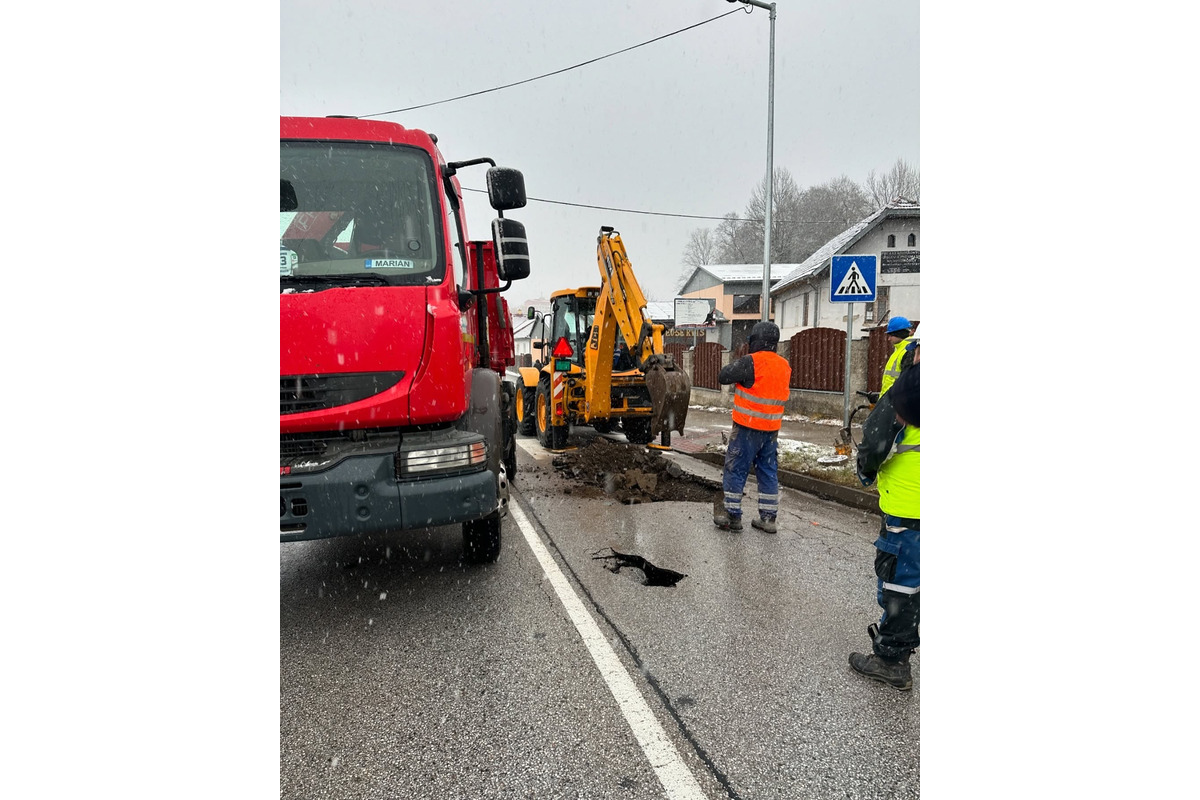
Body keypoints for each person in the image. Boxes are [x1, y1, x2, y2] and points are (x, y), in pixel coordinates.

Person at [850, 352, 920, 690]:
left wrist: (865, 471)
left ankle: (891, 659)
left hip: (910, 509)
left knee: (900, 584)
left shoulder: (911, 389)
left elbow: (876, 442)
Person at [713, 321, 792, 534]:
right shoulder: (784, 365)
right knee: (767, 471)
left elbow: (724, 376)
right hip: (771, 430)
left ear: (755, 341)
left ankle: (732, 515)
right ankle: (768, 518)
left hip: (747, 429)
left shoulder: (751, 362)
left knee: (736, 469)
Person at [878, 316, 916, 398]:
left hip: (894, 403)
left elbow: (907, 382)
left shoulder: (909, 350)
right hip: (890, 401)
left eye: (891, 335)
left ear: (899, 334)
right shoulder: (900, 349)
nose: (889, 339)